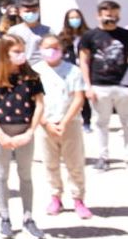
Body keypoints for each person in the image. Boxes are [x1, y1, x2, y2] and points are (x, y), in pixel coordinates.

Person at [0, 34, 46, 239]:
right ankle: (5, 217)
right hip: (2, 131)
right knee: (2, 174)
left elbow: (40, 105)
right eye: (16, 51)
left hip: (25, 130)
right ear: (5, 53)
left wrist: (30, 132)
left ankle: (28, 218)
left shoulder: (32, 77)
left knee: (25, 174)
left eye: (22, 50)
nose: (21, 55)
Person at [34, 35, 91, 219]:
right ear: (40, 49)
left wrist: (65, 122)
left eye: (55, 47)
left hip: (70, 124)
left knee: (74, 163)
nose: (51, 51)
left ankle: (78, 199)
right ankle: (55, 196)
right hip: (45, 124)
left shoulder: (72, 70)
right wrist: (45, 122)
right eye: (47, 47)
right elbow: (32, 100)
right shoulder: (35, 71)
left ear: (62, 49)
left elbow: (78, 98)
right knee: (50, 163)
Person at [79, 0, 128, 171]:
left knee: (127, 121)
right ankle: (103, 156)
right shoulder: (89, 36)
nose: (112, 19)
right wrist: (88, 86)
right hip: (99, 86)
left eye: (115, 15)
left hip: (123, 86)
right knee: (101, 123)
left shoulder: (125, 35)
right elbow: (84, 61)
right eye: (108, 15)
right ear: (98, 15)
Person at [58, 8, 92, 131]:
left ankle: (87, 121)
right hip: (70, 71)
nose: (74, 20)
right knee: (73, 96)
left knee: (85, 96)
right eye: (71, 18)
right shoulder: (63, 36)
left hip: (87, 69)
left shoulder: (88, 34)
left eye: (76, 17)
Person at [7, 0, 51, 65]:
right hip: (21, 68)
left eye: (34, 11)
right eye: (27, 11)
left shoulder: (48, 31)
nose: (31, 14)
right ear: (20, 12)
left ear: (38, 11)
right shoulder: (13, 31)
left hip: (43, 69)